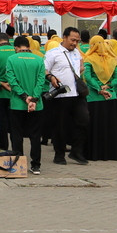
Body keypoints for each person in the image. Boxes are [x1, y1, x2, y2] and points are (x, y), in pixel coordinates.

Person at [44, 27, 90, 165]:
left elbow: (80, 66)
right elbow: (44, 69)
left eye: (77, 41)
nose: (75, 43)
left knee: (84, 120)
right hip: (61, 95)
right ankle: (59, 155)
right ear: (64, 37)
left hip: (77, 94)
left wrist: (80, 69)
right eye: (72, 40)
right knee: (61, 126)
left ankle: (76, 151)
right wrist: (51, 77)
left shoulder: (77, 53)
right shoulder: (53, 53)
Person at [2, 35, 47, 174]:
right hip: (36, 104)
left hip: (17, 104)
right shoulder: (39, 60)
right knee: (35, 135)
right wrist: (33, 99)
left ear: (16, 47)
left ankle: (18, 164)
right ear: (28, 46)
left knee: (17, 135)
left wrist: (24, 97)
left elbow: (11, 80)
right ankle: (36, 165)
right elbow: (41, 81)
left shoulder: (11, 59)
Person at [82, 36, 117, 161]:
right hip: (111, 96)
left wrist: (99, 88)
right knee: (110, 125)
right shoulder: (112, 59)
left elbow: (87, 77)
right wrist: (109, 85)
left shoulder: (88, 59)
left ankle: (95, 153)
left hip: (94, 97)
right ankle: (112, 153)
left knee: (96, 126)